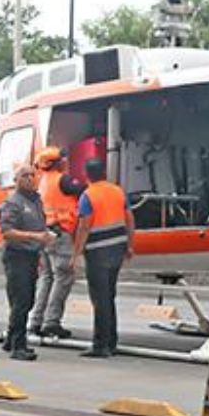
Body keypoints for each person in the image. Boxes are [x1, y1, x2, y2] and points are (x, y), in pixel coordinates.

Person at [72, 158, 135, 359]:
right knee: (109, 296)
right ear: (105, 173)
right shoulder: (118, 191)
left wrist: (76, 253)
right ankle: (112, 341)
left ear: (87, 175)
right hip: (117, 249)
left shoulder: (88, 195)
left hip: (97, 252)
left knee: (100, 299)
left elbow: (84, 225)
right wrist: (130, 245)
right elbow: (129, 219)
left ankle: (101, 345)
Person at [28, 147, 84, 339]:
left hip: (44, 234)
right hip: (60, 234)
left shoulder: (41, 181)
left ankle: (35, 320)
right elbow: (84, 190)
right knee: (63, 277)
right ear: (57, 163)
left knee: (47, 277)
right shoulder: (63, 180)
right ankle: (51, 322)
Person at [0, 164, 52, 361]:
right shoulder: (13, 203)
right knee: (21, 301)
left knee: (27, 300)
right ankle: (19, 346)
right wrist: (35, 236)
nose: (30, 178)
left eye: (32, 175)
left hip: (31, 256)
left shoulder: (36, 201)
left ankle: (11, 338)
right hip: (16, 256)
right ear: (16, 180)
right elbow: (7, 232)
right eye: (24, 176)